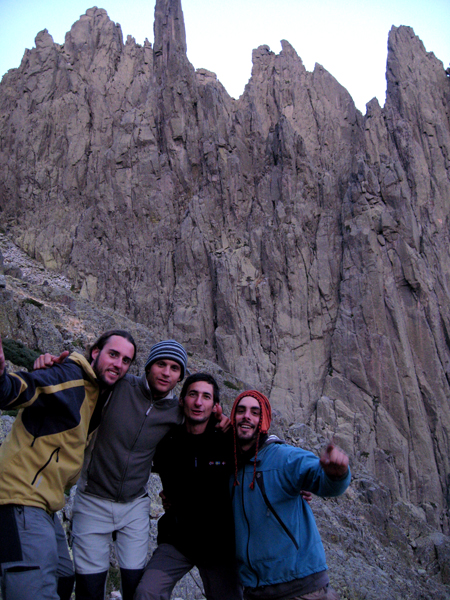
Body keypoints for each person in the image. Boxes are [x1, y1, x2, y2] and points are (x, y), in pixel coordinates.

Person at [0, 330, 136, 600]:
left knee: (63, 577)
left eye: (125, 360)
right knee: (35, 589)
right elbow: (18, 389)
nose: (118, 364)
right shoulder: (69, 377)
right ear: (95, 352)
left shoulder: (96, 394)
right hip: (19, 498)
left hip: (45, 505)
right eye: (113, 354)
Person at [230, 390, 351, 600]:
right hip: (254, 591)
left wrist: (337, 474)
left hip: (303, 588)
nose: (246, 416)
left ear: (264, 421)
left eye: (255, 412)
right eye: (241, 411)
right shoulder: (230, 468)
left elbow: (321, 481)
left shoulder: (284, 457)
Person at [134, 372, 243, 600]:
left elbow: (262, 454)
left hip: (220, 546)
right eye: (193, 394)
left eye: (206, 397)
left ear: (215, 406)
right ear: (182, 400)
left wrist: (294, 485)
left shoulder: (228, 440)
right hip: (178, 540)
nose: (198, 402)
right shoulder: (166, 440)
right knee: (147, 591)